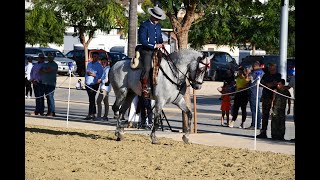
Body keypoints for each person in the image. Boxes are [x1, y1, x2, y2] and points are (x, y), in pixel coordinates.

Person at [138, 6, 166, 97]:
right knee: (147, 67)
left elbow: (159, 38)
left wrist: (161, 43)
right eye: (158, 18)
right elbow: (142, 40)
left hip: (156, 51)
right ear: (153, 16)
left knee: (166, 63)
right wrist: (154, 45)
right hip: (146, 51)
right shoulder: (144, 25)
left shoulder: (158, 26)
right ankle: (144, 87)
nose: (159, 20)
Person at [256, 63, 282, 138]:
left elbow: (276, 84)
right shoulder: (266, 75)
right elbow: (261, 83)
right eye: (270, 68)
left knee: (275, 115)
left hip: (275, 98)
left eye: (273, 68)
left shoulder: (278, 75)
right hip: (266, 97)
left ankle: (276, 133)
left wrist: (268, 84)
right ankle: (263, 132)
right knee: (265, 115)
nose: (271, 70)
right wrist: (269, 84)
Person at [84, 52, 104, 120]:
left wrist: (93, 75)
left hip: (94, 84)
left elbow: (101, 75)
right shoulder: (89, 64)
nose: (95, 58)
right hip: (88, 83)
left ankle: (91, 114)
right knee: (91, 99)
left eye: (96, 56)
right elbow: (87, 72)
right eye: (94, 56)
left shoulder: (99, 66)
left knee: (92, 99)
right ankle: (92, 113)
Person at [246, 61, 265, 130]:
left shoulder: (255, 72)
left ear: (256, 65)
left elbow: (247, 79)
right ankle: (258, 124)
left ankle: (254, 124)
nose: (253, 67)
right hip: (258, 92)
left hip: (254, 92)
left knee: (254, 109)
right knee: (257, 109)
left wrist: (247, 73)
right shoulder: (262, 72)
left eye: (253, 66)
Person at [40, 53, 58, 117]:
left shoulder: (55, 64)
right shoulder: (46, 64)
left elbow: (48, 70)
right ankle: (48, 111)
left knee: (50, 97)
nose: (50, 57)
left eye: (51, 56)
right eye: (49, 56)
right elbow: (40, 71)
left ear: (53, 58)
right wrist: (44, 70)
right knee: (47, 97)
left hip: (51, 84)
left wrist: (45, 70)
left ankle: (52, 112)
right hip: (44, 83)